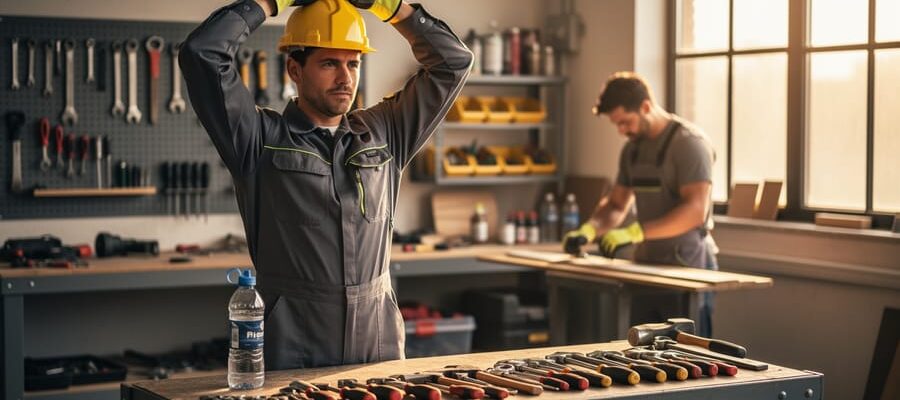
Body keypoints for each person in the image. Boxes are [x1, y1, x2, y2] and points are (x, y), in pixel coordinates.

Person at [180, 0, 472, 369]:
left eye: (353, 63)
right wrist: (269, 3)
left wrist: (395, 8)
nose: (345, 78)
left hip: (377, 341)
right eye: (329, 63)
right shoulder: (258, 139)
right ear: (294, 69)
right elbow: (201, 53)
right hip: (294, 342)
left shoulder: (386, 132)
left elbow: (454, 64)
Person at [563, 71, 717, 337]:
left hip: (688, 267)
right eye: (617, 125)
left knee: (689, 358)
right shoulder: (632, 149)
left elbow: (695, 210)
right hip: (646, 266)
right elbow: (615, 205)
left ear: (646, 107)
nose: (622, 131)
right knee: (642, 354)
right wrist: (588, 230)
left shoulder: (689, 144)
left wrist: (635, 232)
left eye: (625, 122)